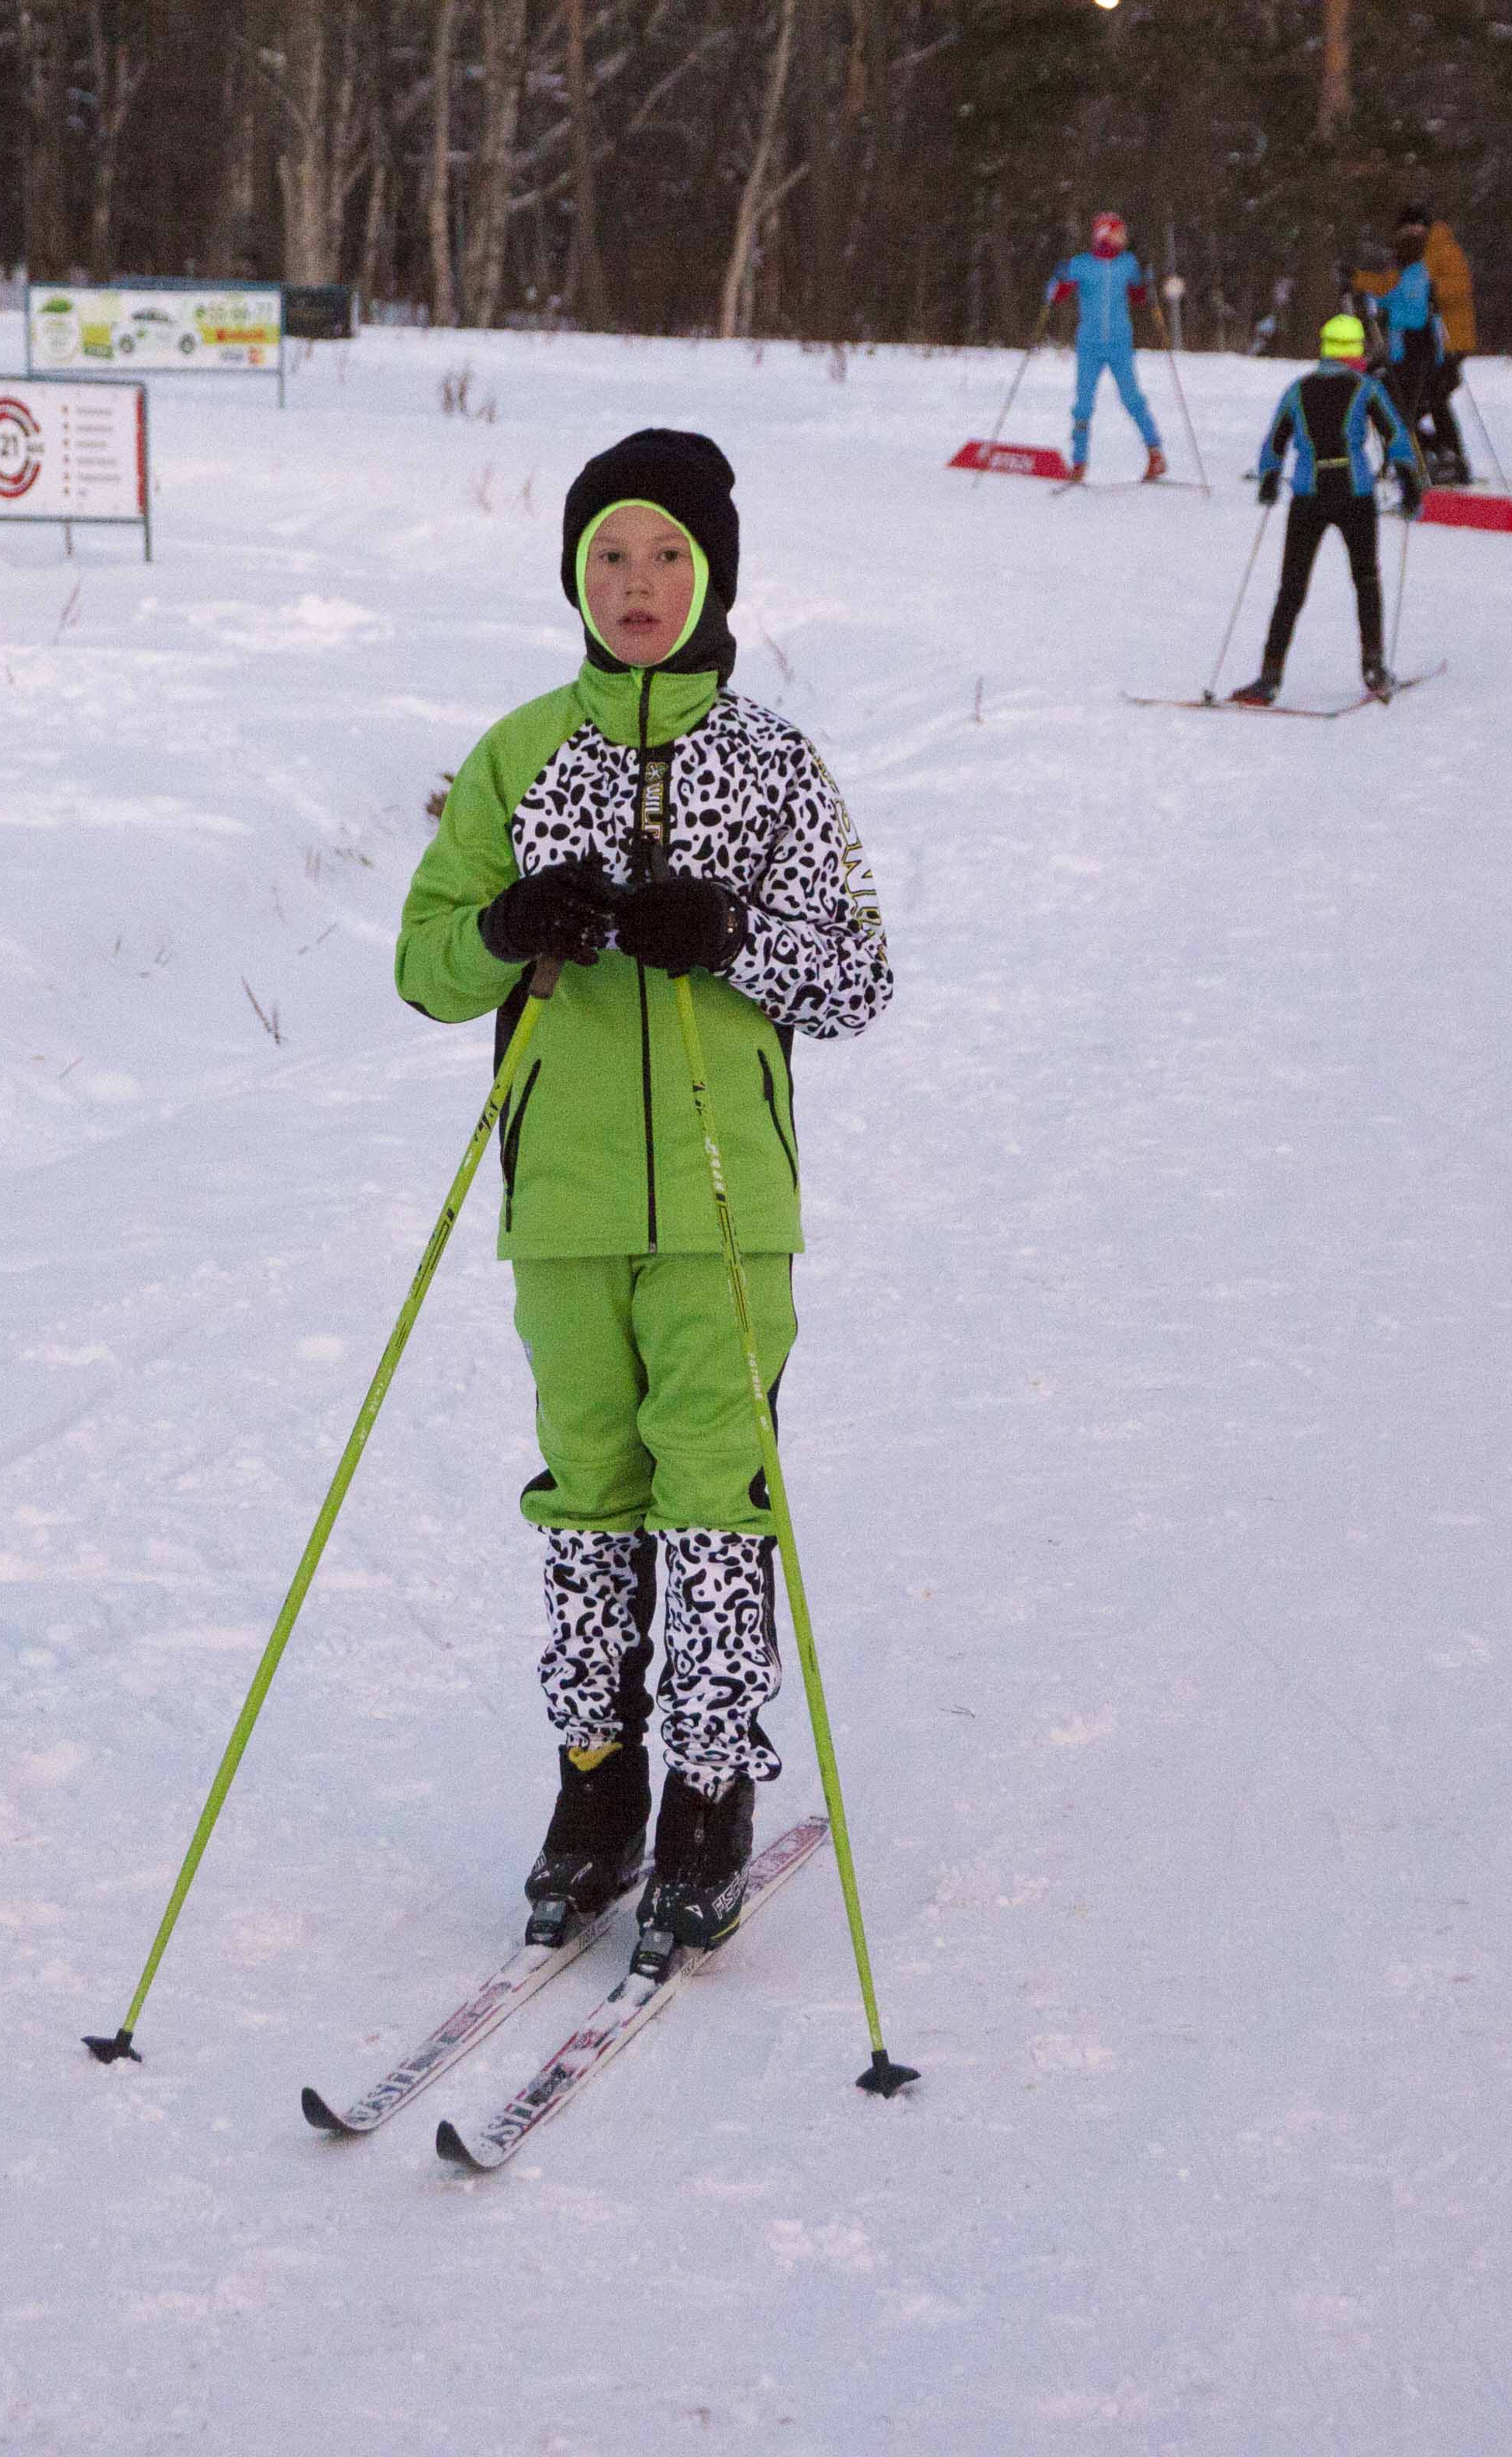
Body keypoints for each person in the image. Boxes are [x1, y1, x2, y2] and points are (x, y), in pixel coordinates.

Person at [394, 428, 893, 1965]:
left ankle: (712, 1790)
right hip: (566, 1205)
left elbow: (861, 975)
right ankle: (595, 1785)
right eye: (611, 554)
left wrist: (727, 932)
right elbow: (424, 968)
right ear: (574, 572)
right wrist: (506, 923)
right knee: (588, 1501)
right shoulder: (520, 753)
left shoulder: (777, 767)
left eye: (667, 556)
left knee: (716, 1496)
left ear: (714, 576)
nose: (636, 584)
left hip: (732, 1215)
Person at [1234, 313, 1420, 707]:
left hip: (1307, 496)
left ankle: (1269, 677)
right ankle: (1373, 667)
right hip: (1355, 495)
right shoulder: (1367, 389)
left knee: (1291, 588)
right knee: (1366, 579)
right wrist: (1409, 480)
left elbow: (1274, 442)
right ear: (1355, 352)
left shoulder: (1297, 390)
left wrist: (1270, 478)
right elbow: (1396, 435)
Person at [1048, 211, 1168, 482]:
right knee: (1083, 404)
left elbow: (1139, 297)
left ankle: (1155, 454)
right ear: (1103, 234)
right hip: (1089, 345)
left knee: (1132, 398)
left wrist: (1146, 282)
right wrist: (1059, 279)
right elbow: (1058, 295)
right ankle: (1079, 463)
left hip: (1119, 344)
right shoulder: (1082, 264)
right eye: (1118, 233)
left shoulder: (1127, 263)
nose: (1123, 238)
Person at [1356, 210, 1465, 486]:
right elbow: (1390, 296)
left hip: (1428, 353)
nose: (1411, 238)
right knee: (1399, 410)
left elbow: (1414, 310)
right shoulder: (1404, 268)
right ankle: (1424, 456)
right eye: (1407, 233)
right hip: (1405, 354)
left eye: (1418, 233)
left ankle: (1444, 458)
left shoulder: (1430, 267)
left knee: (1422, 407)